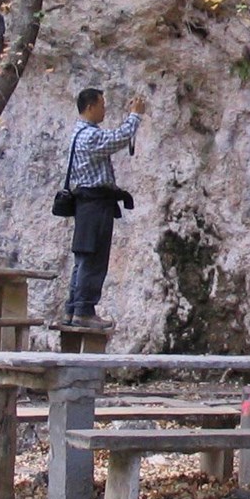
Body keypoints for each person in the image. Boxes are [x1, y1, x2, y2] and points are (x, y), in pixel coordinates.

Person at [61, 88, 144, 329]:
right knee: (93, 258)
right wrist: (135, 116)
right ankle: (84, 310)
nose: (104, 110)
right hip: (95, 203)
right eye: (102, 105)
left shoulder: (80, 133)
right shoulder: (90, 137)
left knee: (83, 257)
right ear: (90, 107)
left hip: (86, 204)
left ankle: (73, 309)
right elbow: (117, 139)